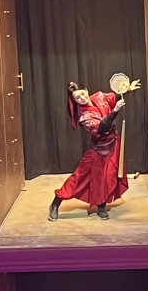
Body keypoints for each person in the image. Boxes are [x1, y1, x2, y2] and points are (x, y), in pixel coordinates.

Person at [48, 78, 141, 222]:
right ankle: (56, 203)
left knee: (108, 177)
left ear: (86, 90)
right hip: (99, 150)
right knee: (78, 178)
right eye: (77, 97)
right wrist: (115, 110)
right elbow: (101, 128)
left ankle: (101, 206)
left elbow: (114, 97)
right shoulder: (83, 116)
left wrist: (127, 89)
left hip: (113, 144)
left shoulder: (99, 96)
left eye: (82, 94)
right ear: (74, 100)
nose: (82, 98)